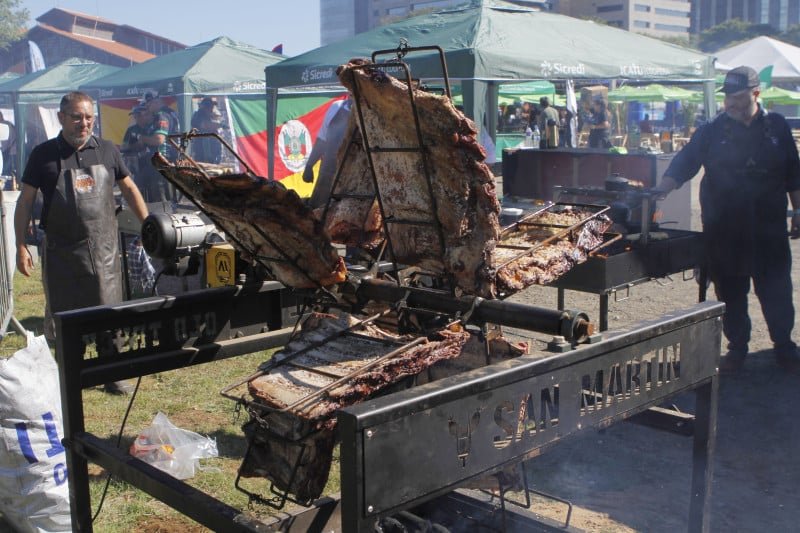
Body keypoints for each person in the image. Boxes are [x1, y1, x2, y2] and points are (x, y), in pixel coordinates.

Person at [654, 66, 800, 374]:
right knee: (731, 291)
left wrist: (797, 210)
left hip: (768, 228)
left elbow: (793, 173)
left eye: (737, 96)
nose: (730, 103)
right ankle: (737, 348)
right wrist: (660, 191)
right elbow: (685, 162)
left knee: (775, 289)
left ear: (755, 93)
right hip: (724, 229)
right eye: (727, 97)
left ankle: (784, 345)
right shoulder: (712, 130)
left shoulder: (777, 127)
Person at [14, 91, 149, 394]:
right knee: (66, 314)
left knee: (109, 310)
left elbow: (129, 189)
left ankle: (112, 374)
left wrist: (148, 225)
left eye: (88, 117)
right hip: (62, 251)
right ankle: (71, 375)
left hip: (103, 250)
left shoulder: (108, 151)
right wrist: (21, 245)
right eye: (76, 117)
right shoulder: (43, 155)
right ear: (62, 118)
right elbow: (25, 202)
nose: (83, 123)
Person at [302, 97, 352, 209]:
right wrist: (310, 165)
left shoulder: (370, 112)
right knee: (318, 209)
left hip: (351, 174)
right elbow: (322, 139)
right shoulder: (336, 107)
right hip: (328, 170)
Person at [139, 92, 180, 201]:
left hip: (161, 161)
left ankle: (163, 215)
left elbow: (159, 139)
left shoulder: (161, 115)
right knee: (169, 193)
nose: (147, 107)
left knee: (160, 195)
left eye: (148, 103)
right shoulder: (171, 112)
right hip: (170, 159)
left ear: (155, 101)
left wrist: (142, 138)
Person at [190, 97, 226, 164]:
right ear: (204, 107)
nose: (212, 108)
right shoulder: (198, 115)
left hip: (212, 147)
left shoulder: (209, 115)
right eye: (209, 106)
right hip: (203, 149)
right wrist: (221, 125)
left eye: (212, 106)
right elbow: (206, 125)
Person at [0, 110, 17, 177]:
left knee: (6, 172)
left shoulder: (4, 126)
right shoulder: (9, 124)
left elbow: (4, 145)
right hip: (12, 151)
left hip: (11, 153)